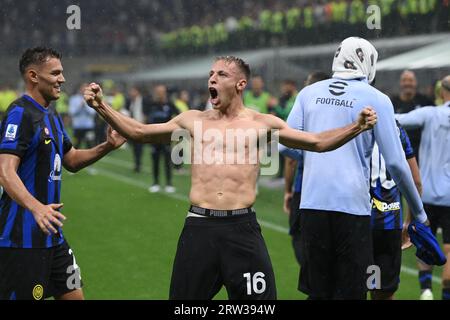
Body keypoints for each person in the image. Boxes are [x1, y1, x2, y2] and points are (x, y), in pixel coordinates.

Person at [84, 55, 377, 300]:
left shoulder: (262, 123)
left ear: (240, 84)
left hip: (242, 229)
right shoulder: (192, 120)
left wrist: (356, 127)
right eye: (210, 74)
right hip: (199, 227)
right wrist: (101, 106)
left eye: (221, 74)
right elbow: (139, 132)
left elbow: (315, 142)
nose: (212, 79)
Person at [281, 37, 432, 300]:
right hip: (351, 209)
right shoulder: (376, 99)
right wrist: (419, 214)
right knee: (351, 292)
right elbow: (396, 163)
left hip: (312, 206)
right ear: (368, 63)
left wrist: (320, 154)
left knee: (319, 292)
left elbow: (286, 147)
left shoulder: (308, 93)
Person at [0, 47, 126, 300]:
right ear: (34, 76)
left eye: (62, 72)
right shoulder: (20, 113)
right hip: (22, 240)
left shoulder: (52, 114)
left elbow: (71, 159)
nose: (62, 79)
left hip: (52, 236)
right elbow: (5, 171)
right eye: (55, 73)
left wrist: (107, 146)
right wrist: (37, 208)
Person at [396, 75, 450, 301]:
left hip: (426, 193)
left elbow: (399, 119)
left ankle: (426, 290)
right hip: (449, 197)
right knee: (449, 249)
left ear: (441, 92)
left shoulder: (430, 113)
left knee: (423, 239)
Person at [369, 120, 421, 300]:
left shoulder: (354, 125)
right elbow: (416, 182)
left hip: (358, 223)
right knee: (384, 292)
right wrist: (410, 220)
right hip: (390, 225)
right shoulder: (397, 128)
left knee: (359, 285)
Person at [283, 71, 330, 266]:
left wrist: (287, 191)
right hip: (333, 192)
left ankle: (314, 284)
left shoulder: (304, 109)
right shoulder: (337, 115)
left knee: (300, 238)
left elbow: (289, 154)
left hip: (305, 189)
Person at [391, 70, 434, 160]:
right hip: (399, 151)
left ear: (415, 83)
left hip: (422, 152)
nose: (407, 83)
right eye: (404, 80)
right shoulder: (392, 102)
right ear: (400, 83)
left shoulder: (425, 101)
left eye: (410, 80)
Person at [144, 85, 179, 193]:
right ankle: (155, 183)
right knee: (155, 161)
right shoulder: (151, 104)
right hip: (154, 138)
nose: (160, 94)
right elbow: (147, 119)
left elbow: (178, 116)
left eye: (162, 92)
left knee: (167, 161)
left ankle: (169, 183)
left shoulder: (170, 104)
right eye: (158, 92)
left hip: (166, 138)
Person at [69, 83, 97, 149]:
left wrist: (85, 107)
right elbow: (72, 112)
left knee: (90, 144)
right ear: (79, 89)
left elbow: (93, 113)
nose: (84, 90)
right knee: (76, 145)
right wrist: (80, 107)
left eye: (86, 88)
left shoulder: (91, 99)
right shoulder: (73, 99)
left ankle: (90, 159)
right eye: (83, 88)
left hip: (88, 126)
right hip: (77, 126)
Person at [125, 86, 146, 173]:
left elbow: (146, 112)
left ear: (137, 92)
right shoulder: (131, 101)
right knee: (135, 147)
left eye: (133, 91)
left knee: (139, 147)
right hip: (133, 127)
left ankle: (138, 164)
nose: (131, 93)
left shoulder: (143, 100)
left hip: (141, 126)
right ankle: (137, 163)